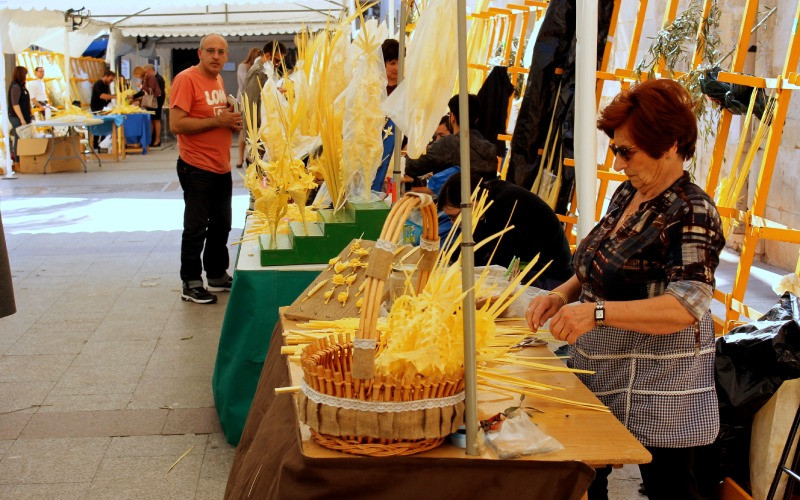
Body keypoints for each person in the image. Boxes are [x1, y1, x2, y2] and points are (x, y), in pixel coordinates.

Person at [525, 79, 725, 500]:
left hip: (663, 381)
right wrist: (561, 294)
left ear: (670, 144)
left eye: (626, 151)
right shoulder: (629, 193)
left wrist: (597, 314)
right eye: (616, 149)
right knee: (586, 470)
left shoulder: (692, 210)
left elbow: (688, 305)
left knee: (669, 486)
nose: (618, 163)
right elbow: (597, 265)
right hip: (604, 363)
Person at [170, 33, 243, 304]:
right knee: (196, 227)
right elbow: (177, 124)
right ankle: (190, 281)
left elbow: (214, 114)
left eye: (221, 52)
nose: (216, 56)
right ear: (199, 53)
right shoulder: (186, 79)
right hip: (196, 166)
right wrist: (217, 121)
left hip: (220, 165)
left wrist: (229, 118)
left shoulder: (218, 79)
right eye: (210, 51)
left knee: (221, 224)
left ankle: (216, 274)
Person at [438, 173, 573, 290]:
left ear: (471, 203)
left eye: (453, 217)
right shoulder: (488, 195)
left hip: (550, 278)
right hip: (527, 268)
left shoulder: (506, 204)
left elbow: (496, 258)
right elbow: (475, 246)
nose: (453, 223)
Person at [405, 94, 498, 183]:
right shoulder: (490, 147)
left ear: (452, 117)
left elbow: (411, 167)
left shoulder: (450, 143)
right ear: (476, 119)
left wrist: (412, 143)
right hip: (482, 198)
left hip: (451, 197)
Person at [236, 47, 262, 169]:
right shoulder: (243, 67)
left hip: (256, 102)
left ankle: (250, 155)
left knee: (255, 130)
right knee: (244, 130)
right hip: (244, 101)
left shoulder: (259, 68)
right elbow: (246, 82)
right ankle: (240, 158)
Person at [132, 64, 164, 147]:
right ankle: (149, 139)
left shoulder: (151, 77)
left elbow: (150, 89)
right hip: (150, 100)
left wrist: (141, 86)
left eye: (137, 75)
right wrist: (134, 97)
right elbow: (144, 91)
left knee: (156, 119)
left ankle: (157, 139)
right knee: (151, 120)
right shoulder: (146, 78)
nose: (137, 77)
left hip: (155, 100)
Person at [7, 66, 33, 164]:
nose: (26, 76)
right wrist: (22, 119)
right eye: (25, 74)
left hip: (24, 116)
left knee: (23, 138)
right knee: (19, 138)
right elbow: (15, 104)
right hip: (16, 117)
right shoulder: (15, 87)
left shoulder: (22, 86)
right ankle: (18, 161)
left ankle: (24, 159)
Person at [90, 70, 116, 149]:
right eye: (110, 79)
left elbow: (107, 97)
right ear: (106, 76)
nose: (111, 82)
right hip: (96, 107)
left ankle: (101, 142)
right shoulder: (99, 84)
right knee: (97, 124)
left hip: (103, 107)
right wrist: (114, 96)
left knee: (103, 123)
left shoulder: (106, 85)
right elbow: (102, 96)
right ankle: (95, 143)